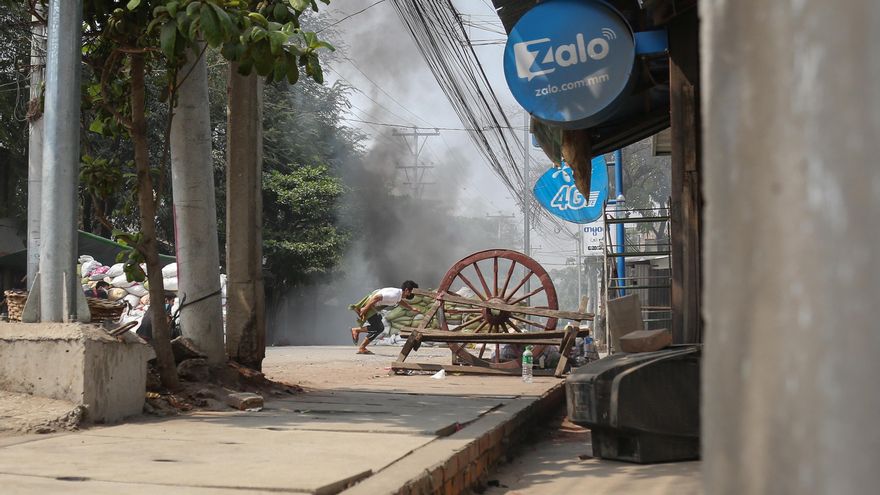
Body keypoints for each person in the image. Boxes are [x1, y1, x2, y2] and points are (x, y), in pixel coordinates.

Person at [349, 280, 420, 355]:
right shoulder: (394, 295)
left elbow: (399, 301)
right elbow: (377, 297)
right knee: (378, 328)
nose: (412, 295)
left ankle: (361, 344)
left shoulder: (397, 294)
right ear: (406, 290)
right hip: (370, 306)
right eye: (411, 292)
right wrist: (365, 308)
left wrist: (411, 308)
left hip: (372, 306)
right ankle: (357, 333)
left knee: (378, 328)